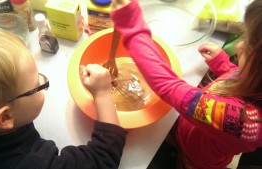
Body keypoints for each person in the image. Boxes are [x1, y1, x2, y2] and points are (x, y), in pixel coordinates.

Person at [110, 0, 262, 168]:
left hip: (194, 157)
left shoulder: (242, 122)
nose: (240, 46)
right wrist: (224, 65)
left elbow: (168, 86)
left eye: (248, 49)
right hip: (191, 128)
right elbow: (238, 76)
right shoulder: (255, 84)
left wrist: (131, 25)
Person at [0, 26, 127, 169]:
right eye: (36, 86)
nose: (43, 81)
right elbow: (102, 159)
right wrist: (103, 93)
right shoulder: (33, 163)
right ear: (5, 117)